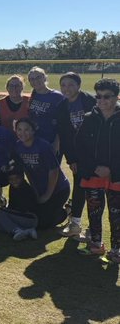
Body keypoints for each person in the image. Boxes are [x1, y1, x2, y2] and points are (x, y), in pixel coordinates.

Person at [76, 78, 120, 260]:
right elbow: (80, 147)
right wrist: (95, 167)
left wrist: (111, 169)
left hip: (116, 175)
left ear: (116, 97)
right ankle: (96, 243)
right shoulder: (88, 119)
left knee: (116, 214)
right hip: (93, 174)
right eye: (98, 96)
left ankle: (116, 249)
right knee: (94, 211)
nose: (102, 101)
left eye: (107, 97)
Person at [54, 72, 96, 238]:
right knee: (79, 188)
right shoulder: (62, 107)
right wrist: (71, 159)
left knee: (96, 191)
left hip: (95, 153)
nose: (67, 88)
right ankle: (75, 224)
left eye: (71, 84)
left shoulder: (90, 101)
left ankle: (94, 228)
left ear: (78, 85)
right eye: (63, 85)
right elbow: (64, 135)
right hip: (78, 156)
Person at [14, 117, 70, 230]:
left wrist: (47, 195)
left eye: (26, 129)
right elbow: (27, 171)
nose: (22, 133)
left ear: (33, 131)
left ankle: (67, 210)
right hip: (40, 189)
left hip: (58, 189)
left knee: (44, 224)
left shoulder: (43, 146)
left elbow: (54, 171)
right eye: (19, 129)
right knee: (34, 217)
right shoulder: (18, 146)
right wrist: (35, 190)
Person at [0, 157, 39, 241]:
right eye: (11, 179)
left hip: (29, 218)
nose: (14, 181)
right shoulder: (13, 188)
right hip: (20, 217)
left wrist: (5, 211)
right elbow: (12, 206)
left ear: (22, 177)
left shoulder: (26, 189)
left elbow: (23, 208)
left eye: (17, 178)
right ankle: (27, 231)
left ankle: (16, 230)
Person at [27, 67, 64, 155]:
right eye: (32, 79)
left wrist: (57, 142)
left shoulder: (57, 96)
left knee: (52, 168)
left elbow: (63, 122)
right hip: (36, 140)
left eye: (38, 77)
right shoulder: (33, 96)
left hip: (51, 140)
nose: (35, 81)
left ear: (44, 77)